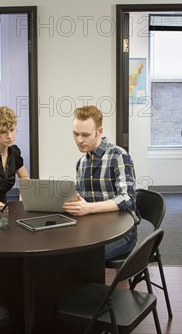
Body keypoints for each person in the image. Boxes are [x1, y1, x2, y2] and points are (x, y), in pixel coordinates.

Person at [64, 105, 140, 260]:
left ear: (99, 132)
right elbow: (82, 200)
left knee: (81, 259)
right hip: (93, 229)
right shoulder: (81, 162)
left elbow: (128, 199)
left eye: (85, 135)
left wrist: (89, 208)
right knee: (61, 250)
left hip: (121, 232)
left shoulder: (118, 156)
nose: (79, 140)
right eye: (75, 134)